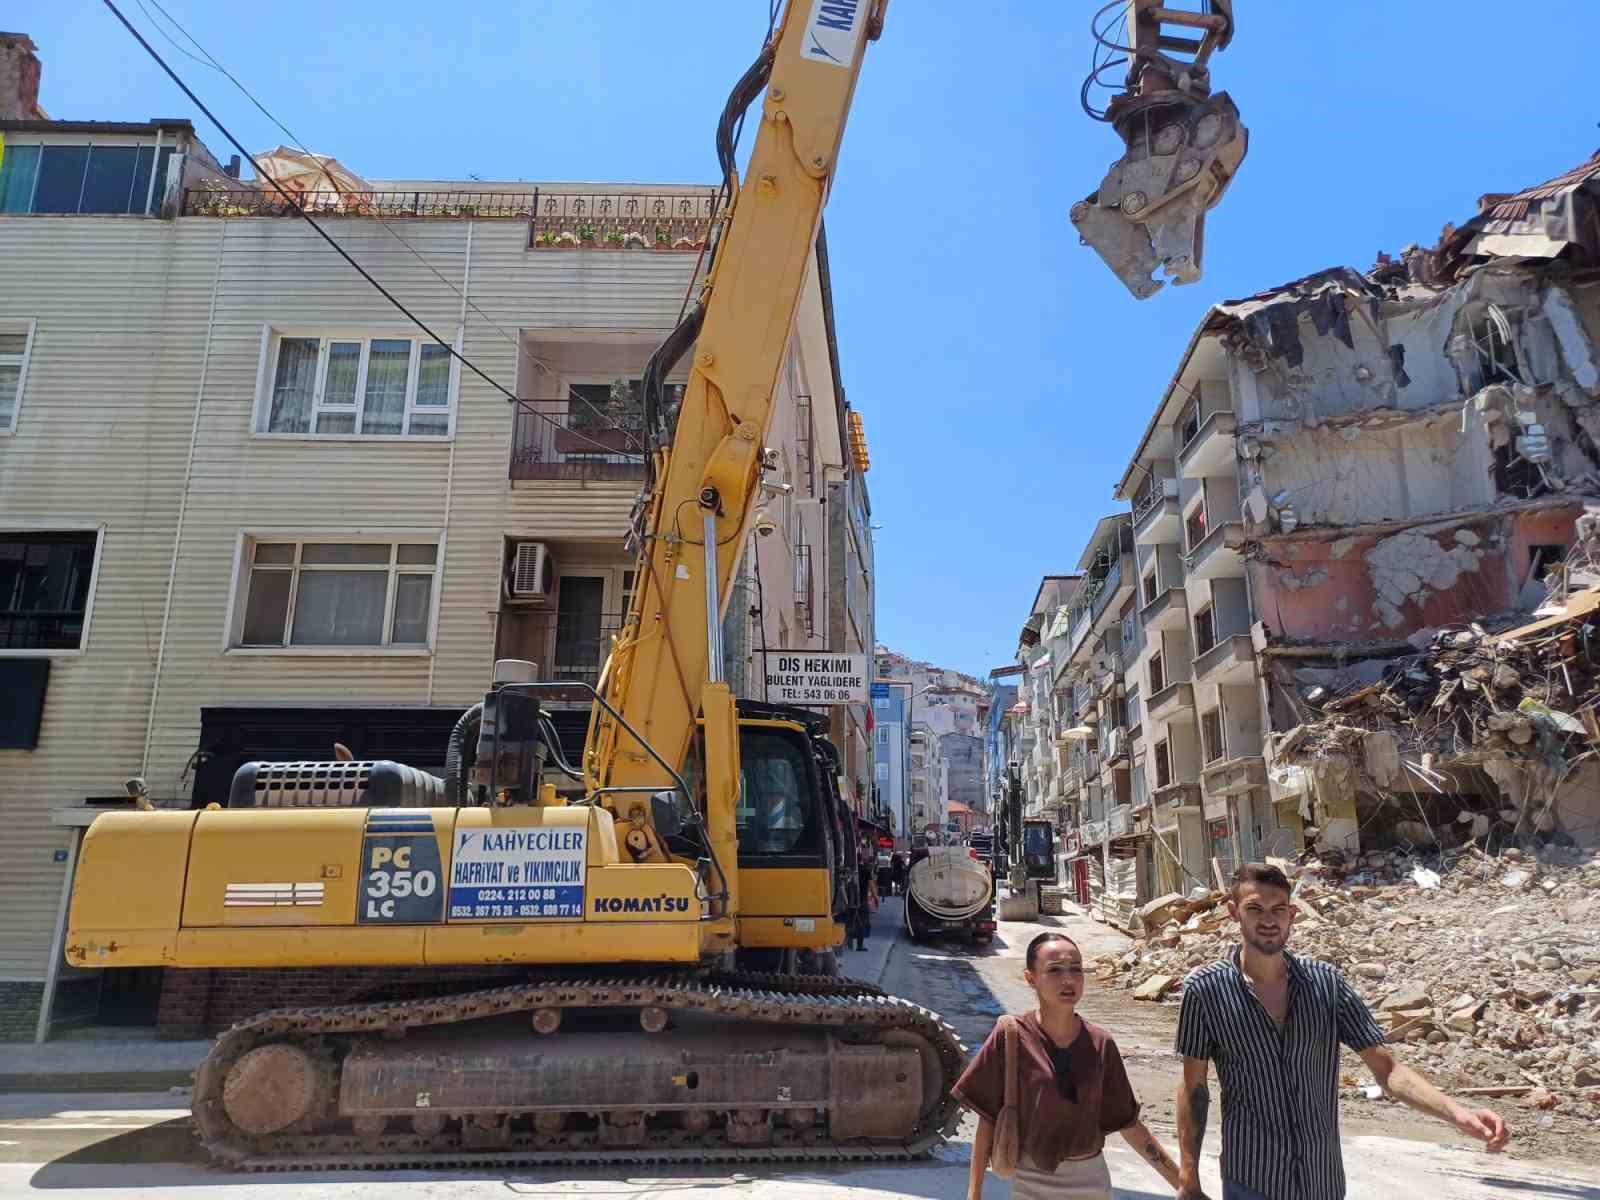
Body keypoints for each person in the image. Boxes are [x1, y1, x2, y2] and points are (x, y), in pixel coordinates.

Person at [1175, 862, 1511, 1200]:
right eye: (1255, 909)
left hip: (1322, 1182)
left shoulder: (1326, 985)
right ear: (1234, 913)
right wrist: (1189, 1176)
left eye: (1278, 909)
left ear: (1292, 914)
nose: (1268, 920)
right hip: (1252, 1181)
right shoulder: (1206, 991)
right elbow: (1193, 1087)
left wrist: (1458, 1114)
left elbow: (1389, 1070)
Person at [956, 931, 1182, 1199]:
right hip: (1030, 1183)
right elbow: (988, 1120)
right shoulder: (1011, 1037)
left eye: (1076, 969)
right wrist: (974, 1192)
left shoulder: (1101, 1044)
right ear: (1031, 978)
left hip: (1091, 1184)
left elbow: (1129, 1124)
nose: (1068, 979)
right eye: (1054, 970)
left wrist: (1183, 1183)